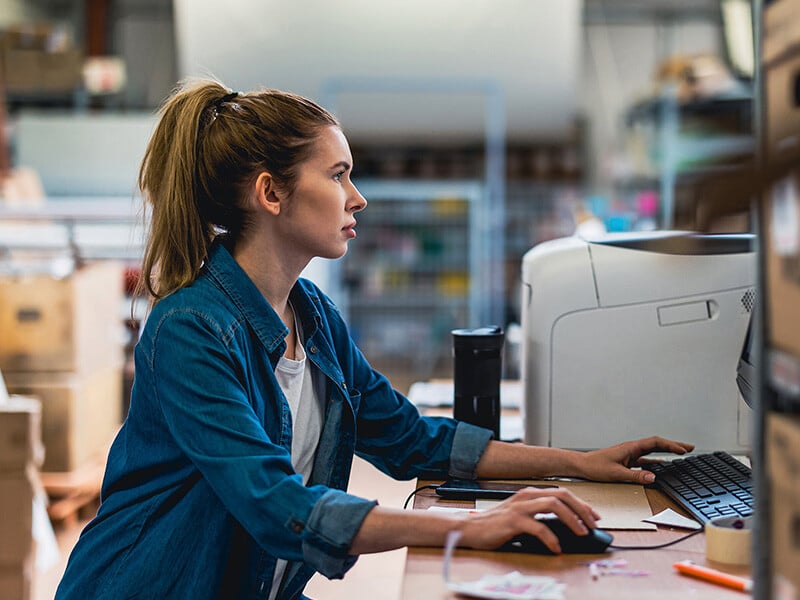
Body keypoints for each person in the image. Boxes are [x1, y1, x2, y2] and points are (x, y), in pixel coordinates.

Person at [55, 78, 693, 600]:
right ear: (271, 193)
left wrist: (577, 463)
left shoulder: (314, 317)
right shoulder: (191, 330)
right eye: (337, 176)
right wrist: (469, 529)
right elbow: (276, 505)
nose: (356, 199)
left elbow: (411, 438)